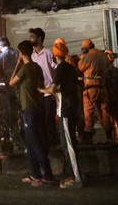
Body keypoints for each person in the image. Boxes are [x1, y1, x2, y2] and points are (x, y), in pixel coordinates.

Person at [10, 39, 54, 187]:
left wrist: (17, 64)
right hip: (38, 106)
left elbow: (11, 82)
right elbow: (41, 86)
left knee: (35, 142)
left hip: (29, 108)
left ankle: (47, 175)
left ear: (21, 54)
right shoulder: (37, 67)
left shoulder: (25, 68)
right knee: (30, 142)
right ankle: (35, 174)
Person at [43, 39, 82, 188]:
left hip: (66, 108)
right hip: (70, 107)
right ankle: (71, 174)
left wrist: (41, 90)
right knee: (66, 144)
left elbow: (53, 88)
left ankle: (76, 178)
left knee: (69, 145)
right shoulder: (70, 68)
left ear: (55, 55)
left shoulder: (60, 69)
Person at [78, 38, 110, 144]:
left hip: (90, 87)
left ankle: (89, 138)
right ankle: (109, 136)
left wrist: (82, 56)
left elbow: (81, 68)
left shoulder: (88, 56)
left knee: (89, 111)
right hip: (102, 86)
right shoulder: (102, 55)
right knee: (104, 110)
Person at [29, 27, 57, 144]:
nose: (30, 39)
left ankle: (51, 144)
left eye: (32, 37)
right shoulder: (31, 55)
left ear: (39, 39)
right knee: (39, 121)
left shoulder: (48, 53)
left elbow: (55, 69)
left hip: (48, 93)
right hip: (37, 94)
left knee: (49, 120)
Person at [102, 54, 118, 144]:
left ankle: (114, 139)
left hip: (111, 98)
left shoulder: (106, 73)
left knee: (111, 119)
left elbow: (104, 87)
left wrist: (108, 97)